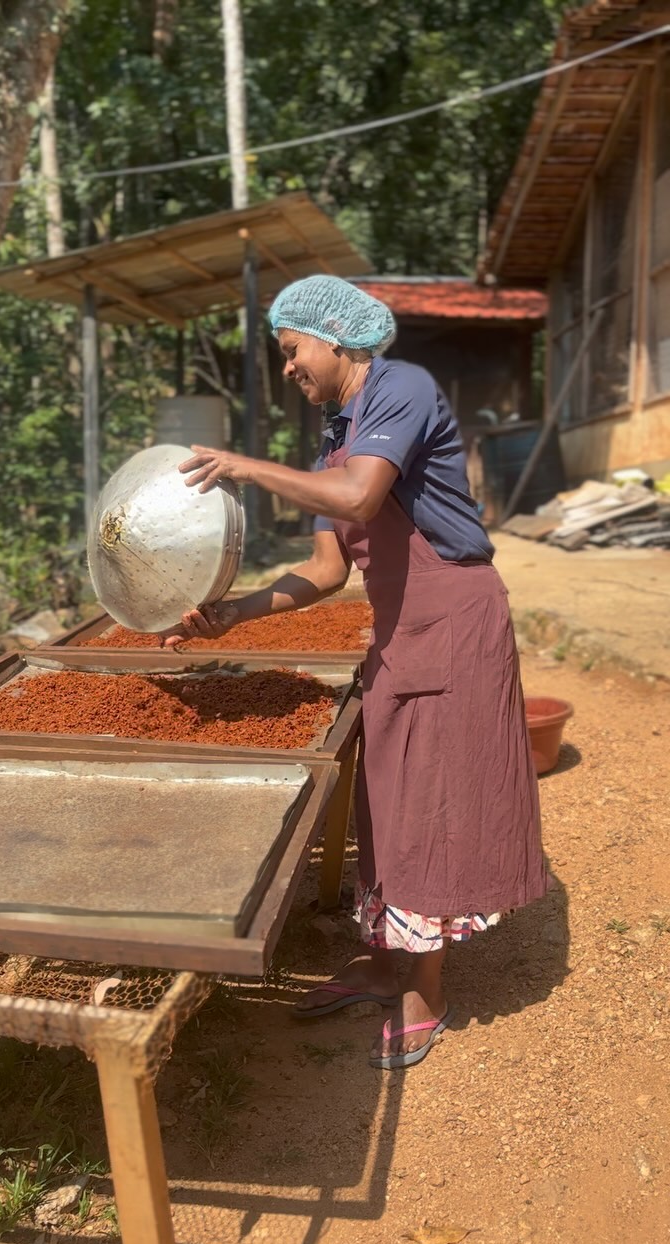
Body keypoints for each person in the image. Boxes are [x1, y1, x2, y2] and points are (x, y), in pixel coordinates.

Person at [161, 275, 546, 1071]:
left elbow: (362, 499)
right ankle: (382, 959)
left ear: (334, 337)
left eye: (293, 351)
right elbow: (327, 568)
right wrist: (232, 611)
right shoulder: (336, 438)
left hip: (455, 618)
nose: (290, 370)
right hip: (401, 630)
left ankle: (426, 989)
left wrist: (247, 467)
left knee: (433, 798)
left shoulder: (401, 386)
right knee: (389, 799)